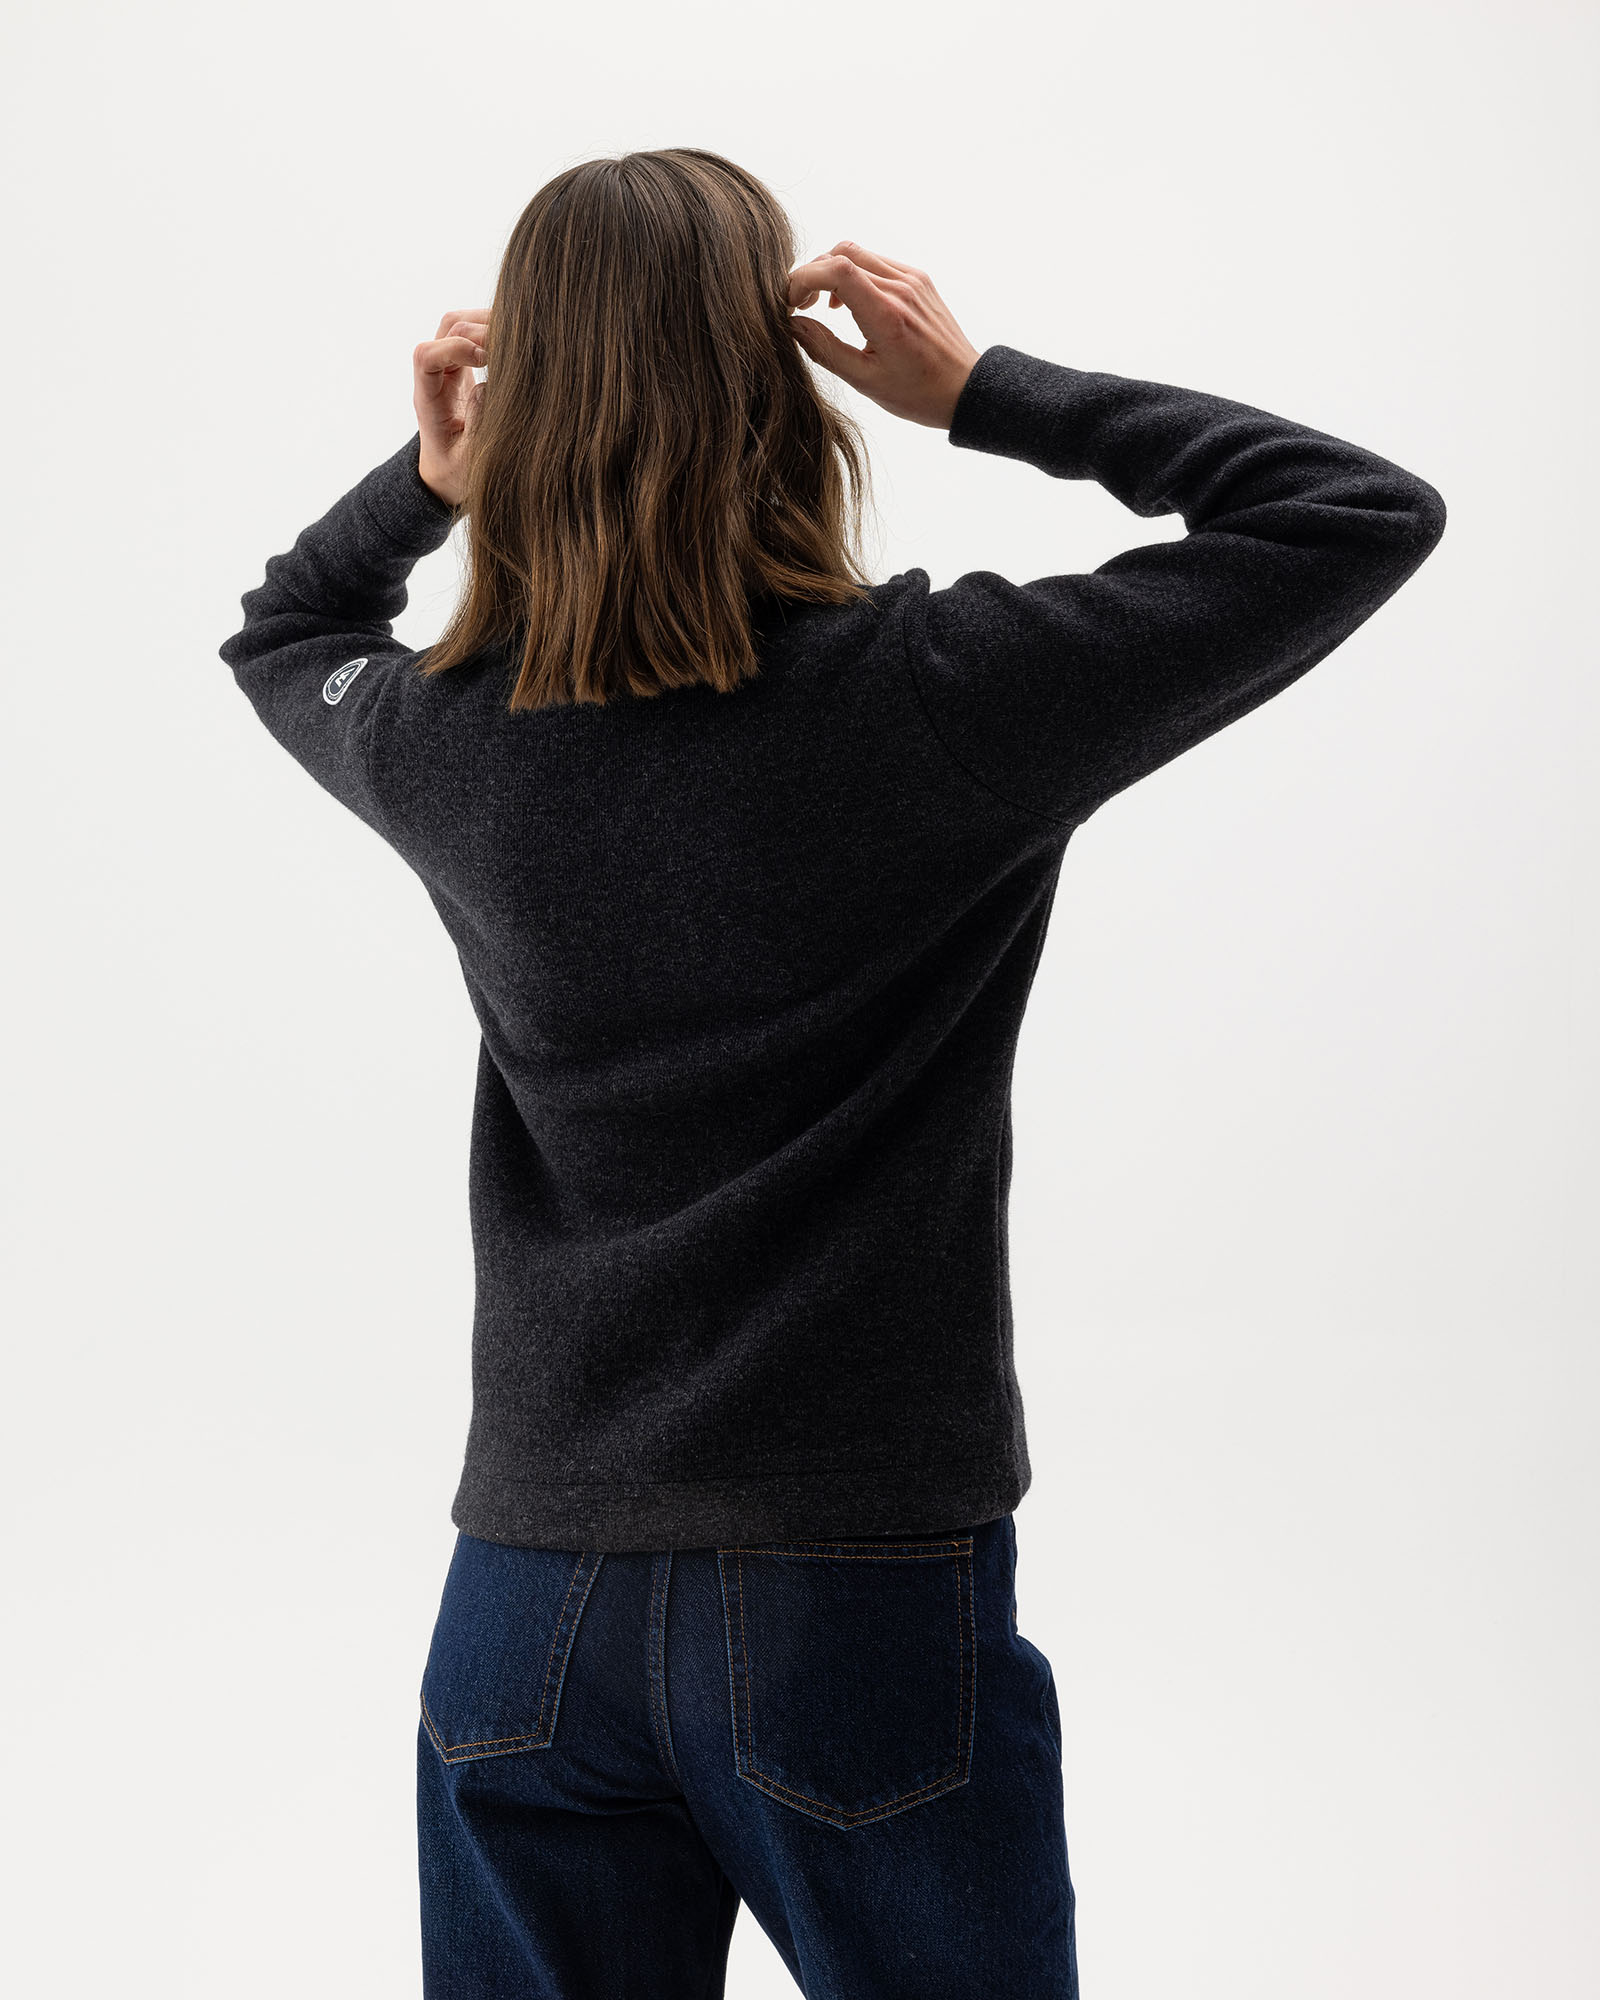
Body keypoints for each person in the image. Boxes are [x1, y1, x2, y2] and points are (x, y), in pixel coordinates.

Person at [218, 148, 1446, 1999]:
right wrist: (984, 391)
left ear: (528, 401)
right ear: (779, 392)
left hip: (523, 1608)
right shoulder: (942, 693)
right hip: (848, 1600)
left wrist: (427, 481)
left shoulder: (449, 741)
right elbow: (1351, 513)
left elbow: (285, 633)